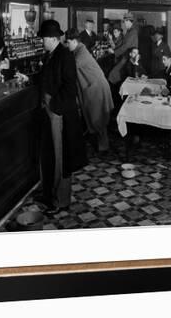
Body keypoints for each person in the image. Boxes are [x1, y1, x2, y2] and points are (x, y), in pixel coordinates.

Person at [36, 20, 87, 212]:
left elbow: (69, 87)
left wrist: (54, 107)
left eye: (43, 38)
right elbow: (45, 78)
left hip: (59, 113)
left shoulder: (64, 56)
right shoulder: (51, 54)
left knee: (60, 158)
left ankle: (60, 201)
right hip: (50, 110)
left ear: (52, 38)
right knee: (49, 155)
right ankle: (49, 193)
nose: (42, 41)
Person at [65, 28, 114, 152]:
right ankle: (101, 145)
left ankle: (104, 148)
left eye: (68, 42)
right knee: (97, 118)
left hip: (97, 88)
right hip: (95, 87)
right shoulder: (80, 49)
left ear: (74, 41)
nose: (67, 44)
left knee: (99, 119)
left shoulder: (81, 53)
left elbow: (70, 69)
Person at [108, 13, 139, 85]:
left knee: (113, 74)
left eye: (125, 21)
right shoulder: (129, 31)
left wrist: (114, 52)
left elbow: (126, 46)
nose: (124, 23)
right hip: (126, 56)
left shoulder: (133, 32)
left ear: (128, 21)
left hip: (129, 58)